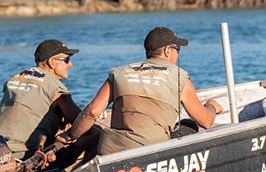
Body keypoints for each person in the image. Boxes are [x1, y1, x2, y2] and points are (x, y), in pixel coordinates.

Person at [61, 26, 223, 155]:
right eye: (177, 50)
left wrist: (70, 136)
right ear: (167, 51)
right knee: (189, 125)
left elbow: (91, 112)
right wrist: (212, 107)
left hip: (111, 149)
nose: (178, 55)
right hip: (150, 149)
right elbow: (206, 122)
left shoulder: (120, 72)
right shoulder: (180, 76)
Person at [0, 39, 81, 160]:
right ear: (51, 62)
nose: (70, 65)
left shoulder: (17, 78)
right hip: (19, 153)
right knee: (93, 136)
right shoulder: (54, 87)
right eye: (66, 60)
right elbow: (82, 121)